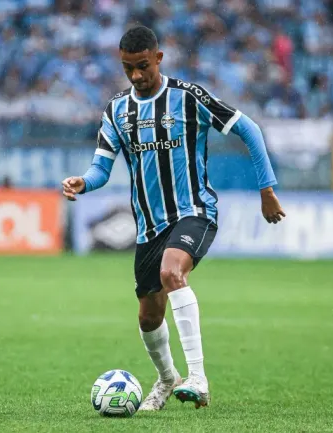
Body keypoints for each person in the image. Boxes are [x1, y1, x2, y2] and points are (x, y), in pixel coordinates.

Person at [61, 26, 286, 411]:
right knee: (149, 316)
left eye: (143, 66)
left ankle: (198, 377)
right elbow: (101, 169)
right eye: (128, 68)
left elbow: (248, 129)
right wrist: (84, 182)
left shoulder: (188, 97)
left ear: (159, 58)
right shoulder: (117, 110)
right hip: (149, 226)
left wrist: (266, 189)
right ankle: (168, 380)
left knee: (171, 274)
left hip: (194, 211)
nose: (136, 75)